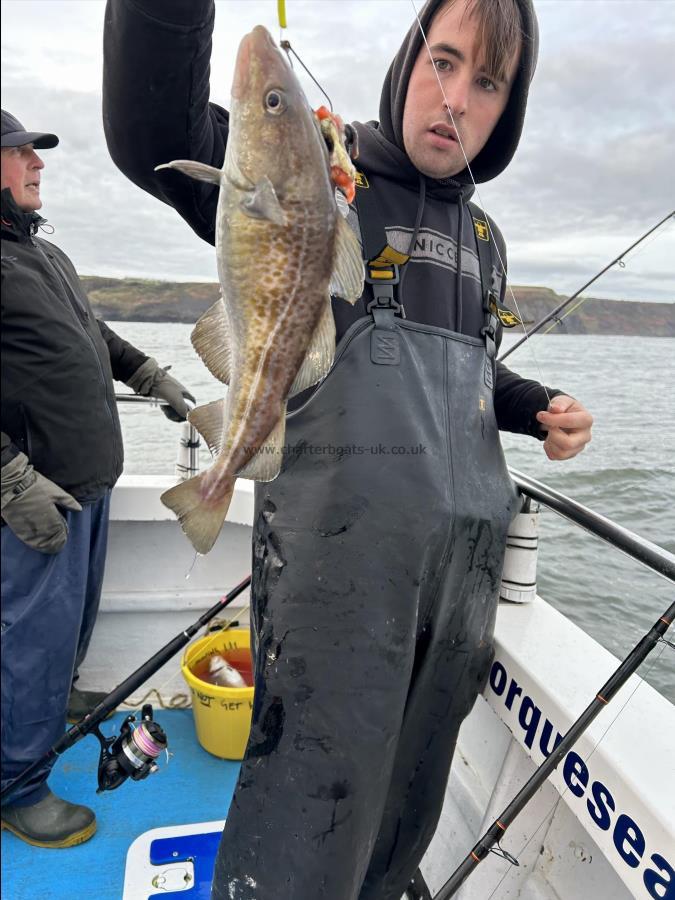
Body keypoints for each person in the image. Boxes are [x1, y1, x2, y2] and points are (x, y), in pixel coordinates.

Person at [102, 0, 593, 896]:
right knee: (308, 790)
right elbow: (148, 129)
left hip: (459, 586)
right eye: (443, 63)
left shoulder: (484, 239)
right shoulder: (324, 182)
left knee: (410, 791)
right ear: (407, 62)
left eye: (487, 82)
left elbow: (472, 372)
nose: (456, 99)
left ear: (508, 106)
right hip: (337, 569)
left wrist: (537, 408)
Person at [0, 108, 196, 848]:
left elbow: (93, 334)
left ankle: (45, 714)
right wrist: (11, 481)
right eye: (19, 153)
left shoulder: (43, 254)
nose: (36, 164)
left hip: (87, 485)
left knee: (70, 629)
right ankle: (17, 786)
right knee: (32, 640)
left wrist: (151, 374)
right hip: (32, 498)